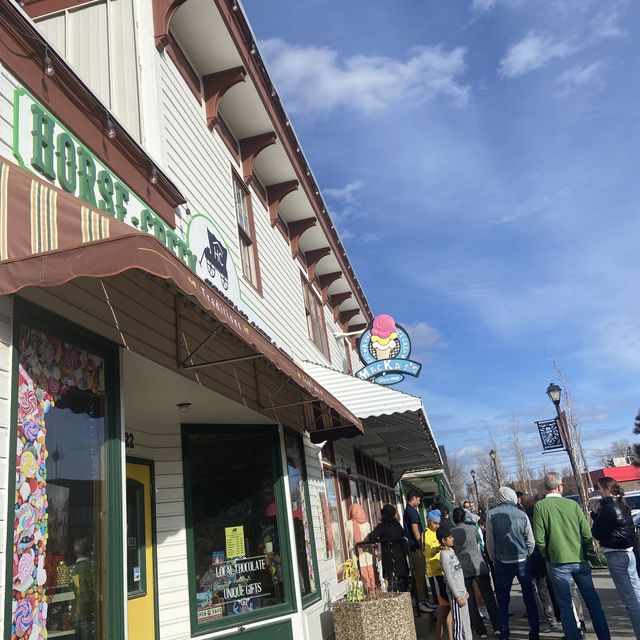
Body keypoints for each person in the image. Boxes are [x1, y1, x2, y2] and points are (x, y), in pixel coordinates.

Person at [533, 472, 611, 640]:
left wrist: (548, 554)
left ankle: (573, 636)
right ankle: (604, 636)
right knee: (593, 602)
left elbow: (539, 539)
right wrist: (587, 551)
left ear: (546, 488)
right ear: (560, 487)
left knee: (566, 605)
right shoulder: (572, 504)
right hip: (579, 558)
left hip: (557, 561)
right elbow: (586, 532)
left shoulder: (540, 507)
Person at [486, 486, 540, 640]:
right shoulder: (521, 514)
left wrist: (493, 558)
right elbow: (530, 540)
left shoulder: (491, 514)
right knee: (529, 598)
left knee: (503, 601)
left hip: (502, 561)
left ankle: (504, 634)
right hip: (522, 559)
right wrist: (527, 554)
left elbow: (490, 541)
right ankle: (534, 632)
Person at [591, 476, 640, 638]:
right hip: (628, 552)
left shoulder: (609, 509)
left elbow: (597, 532)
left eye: (599, 487)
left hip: (616, 554)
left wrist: (595, 515)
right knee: (636, 593)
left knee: (629, 599)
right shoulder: (621, 506)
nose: (598, 491)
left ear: (606, 489)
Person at [451, 507, 499, 638]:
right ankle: (497, 626)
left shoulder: (451, 533)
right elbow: (479, 542)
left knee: (470, 600)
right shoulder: (473, 529)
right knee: (488, 596)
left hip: (463, 568)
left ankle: (481, 630)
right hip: (478, 563)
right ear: (464, 517)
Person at [440, 520, 473, 640]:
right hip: (456, 595)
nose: (452, 539)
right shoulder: (444, 555)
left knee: (467, 621)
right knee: (459, 625)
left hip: (462, 591)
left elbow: (458, 571)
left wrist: (464, 590)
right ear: (443, 540)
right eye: (449, 537)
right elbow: (449, 577)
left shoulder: (452, 551)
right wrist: (457, 596)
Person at [404, 490, 436, 612]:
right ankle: (421, 601)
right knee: (419, 575)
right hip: (415, 547)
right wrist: (421, 544)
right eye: (418, 499)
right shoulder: (411, 512)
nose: (419, 501)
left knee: (421, 574)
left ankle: (425, 600)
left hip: (413, 547)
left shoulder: (408, 511)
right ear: (413, 498)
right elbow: (415, 529)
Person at [367, 504, 410, 592]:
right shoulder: (397, 526)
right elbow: (404, 538)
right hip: (400, 558)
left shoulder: (382, 527)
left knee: (391, 584)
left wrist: (379, 539)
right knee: (403, 585)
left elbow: (371, 537)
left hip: (389, 559)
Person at [424, 509, 452, 639]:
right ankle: (439, 635)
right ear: (429, 521)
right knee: (443, 606)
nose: (437, 526)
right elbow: (426, 553)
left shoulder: (436, 532)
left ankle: (449, 633)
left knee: (446, 605)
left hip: (442, 570)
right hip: (434, 572)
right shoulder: (427, 534)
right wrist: (437, 549)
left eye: (438, 523)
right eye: (434, 523)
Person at [345, 503, 375, 592]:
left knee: (361, 576)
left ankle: (366, 592)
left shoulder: (348, 524)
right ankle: (373, 591)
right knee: (371, 575)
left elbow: (346, 539)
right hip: (368, 554)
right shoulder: (367, 524)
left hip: (355, 555)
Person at [70, 538, 96, 640]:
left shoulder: (72, 570)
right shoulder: (94, 566)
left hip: (78, 610)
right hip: (90, 608)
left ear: (76, 552)